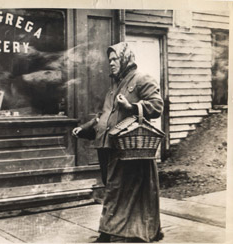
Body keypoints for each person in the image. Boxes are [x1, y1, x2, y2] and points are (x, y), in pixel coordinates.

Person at [72, 42, 164, 243]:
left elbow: (157, 106)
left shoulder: (141, 79)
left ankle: (109, 234)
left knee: (117, 191)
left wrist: (131, 106)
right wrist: (85, 129)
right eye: (110, 60)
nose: (111, 63)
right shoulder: (113, 87)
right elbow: (102, 116)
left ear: (125, 59)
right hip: (108, 147)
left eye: (115, 59)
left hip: (130, 148)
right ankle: (117, 232)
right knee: (114, 189)